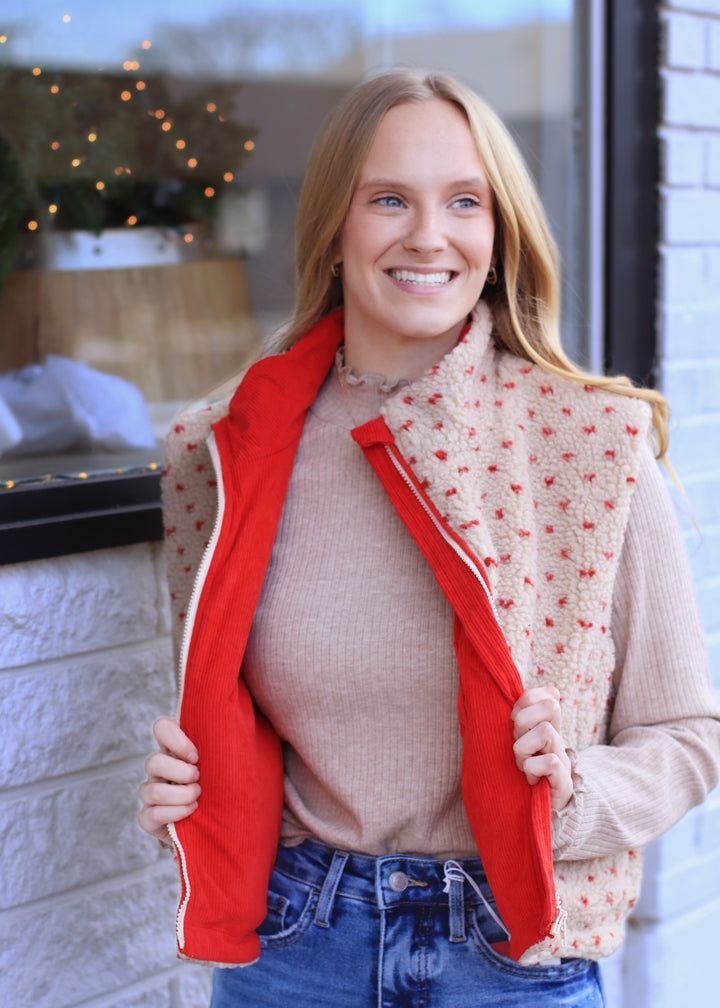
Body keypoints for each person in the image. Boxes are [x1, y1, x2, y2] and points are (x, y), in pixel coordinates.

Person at [138, 69, 720, 1007]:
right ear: (335, 227)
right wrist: (188, 788)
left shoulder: (589, 444)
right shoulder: (227, 450)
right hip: (297, 951)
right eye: (388, 200)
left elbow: (687, 738)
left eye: (463, 202)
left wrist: (567, 801)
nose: (427, 235)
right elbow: (235, 720)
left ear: (498, 236)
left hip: (512, 958)